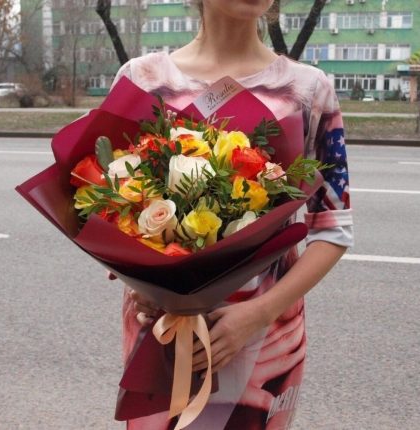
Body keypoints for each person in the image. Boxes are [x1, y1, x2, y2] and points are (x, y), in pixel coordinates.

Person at [111, 0, 353, 428]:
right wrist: (136, 279)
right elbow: (108, 204)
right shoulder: (142, 80)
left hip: (265, 340)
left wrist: (259, 314)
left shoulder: (307, 90)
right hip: (163, 332)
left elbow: (333, 228)